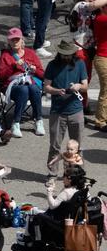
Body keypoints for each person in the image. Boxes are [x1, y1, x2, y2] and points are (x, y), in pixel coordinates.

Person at [43, 39, 88, 167]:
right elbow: (46, 87)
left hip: (76, 111)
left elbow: (85, 86)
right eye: (64, 54)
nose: (66, 57)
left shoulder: (80, 64)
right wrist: (57, 91)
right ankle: (52, 175)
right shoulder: (52, 65)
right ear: (59, 53)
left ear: (73, 53)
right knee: (55, 146)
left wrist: (78, 86)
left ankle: (78, 174)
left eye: (68, 54)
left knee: (77, 146)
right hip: (58, 112)